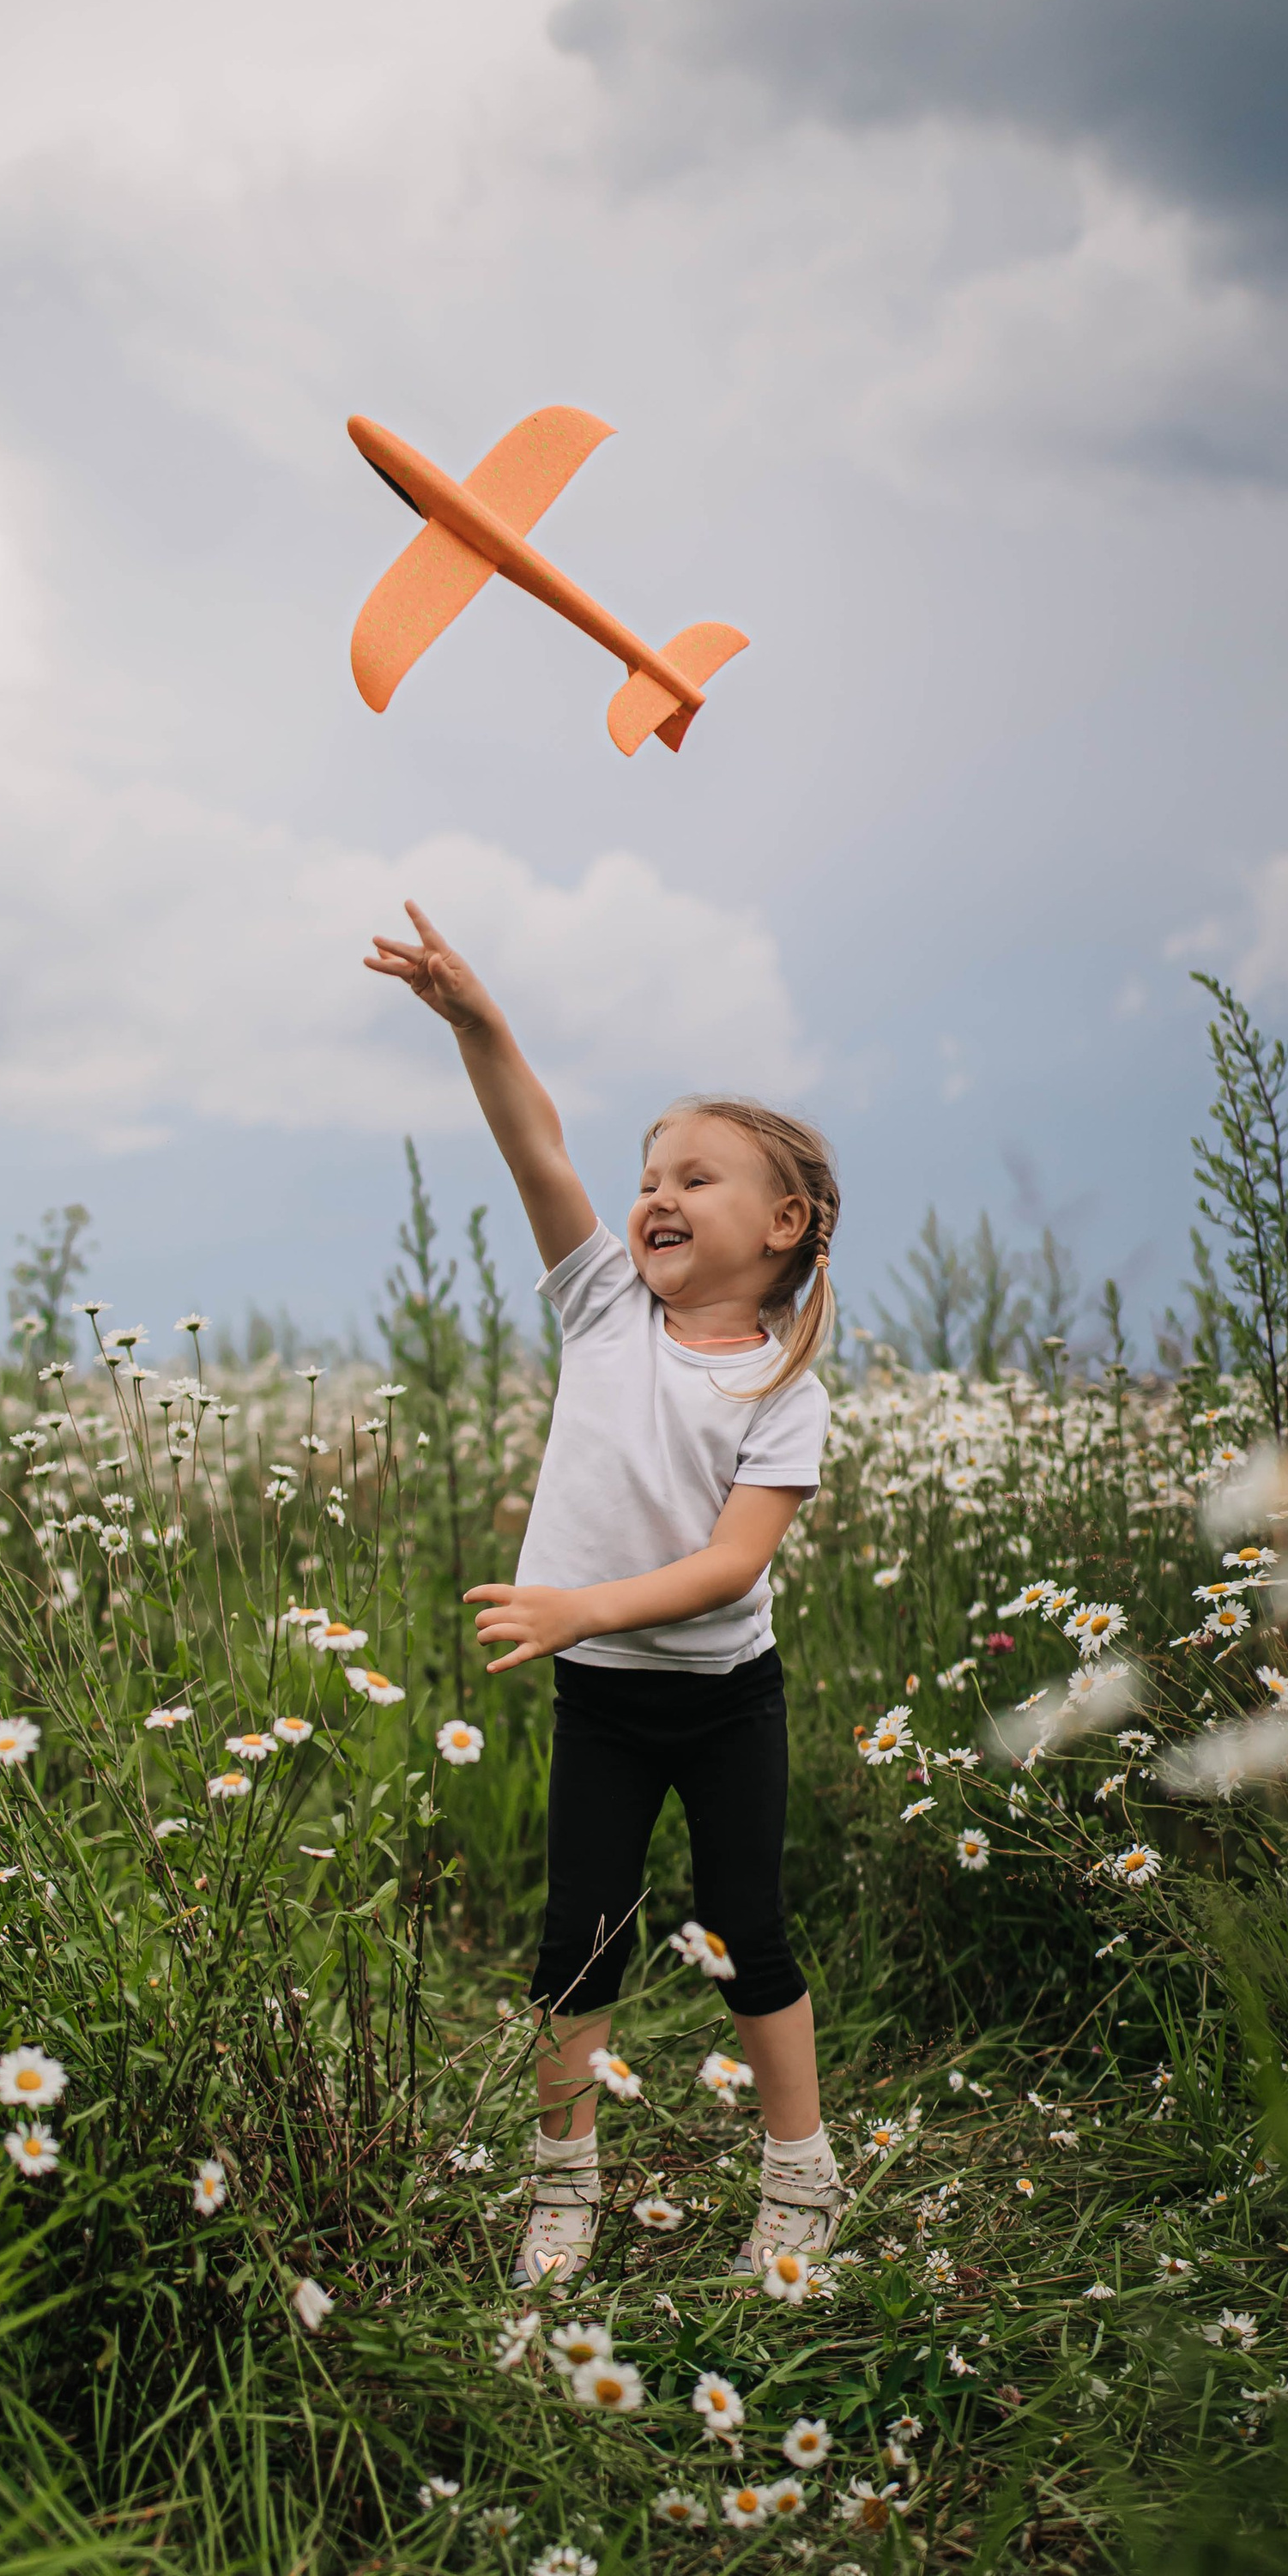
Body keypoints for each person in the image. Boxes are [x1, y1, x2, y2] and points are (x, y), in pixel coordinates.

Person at [365, 898, 844, 2289]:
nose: (657, 1196)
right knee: (578, 1940)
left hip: (726, 1705)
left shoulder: (782, 1389)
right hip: (606, 1707)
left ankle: (802, 2177)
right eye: (651, 1176)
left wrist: (578, 1606)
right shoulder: (601, 1309)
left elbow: (732, 1567)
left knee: (745, 1934)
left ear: (784, 1224)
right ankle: (563, 2190)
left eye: (697, 1177)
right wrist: (479, 1022)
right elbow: (537, 1146)